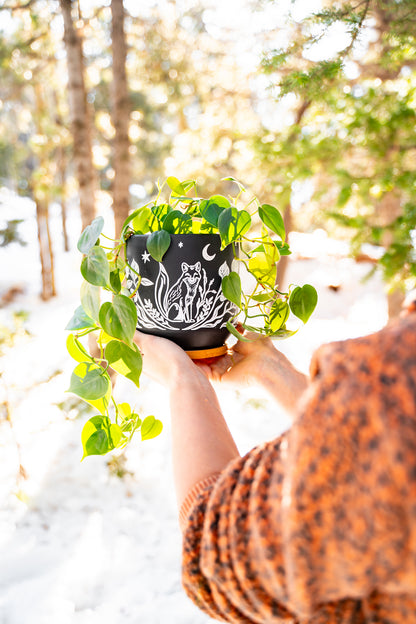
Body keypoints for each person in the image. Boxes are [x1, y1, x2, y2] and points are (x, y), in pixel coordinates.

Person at [133, 296, 416, 623]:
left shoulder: (393, 369)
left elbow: (220, 549)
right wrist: (273, 372)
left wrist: (182, 376)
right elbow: (374, 453)